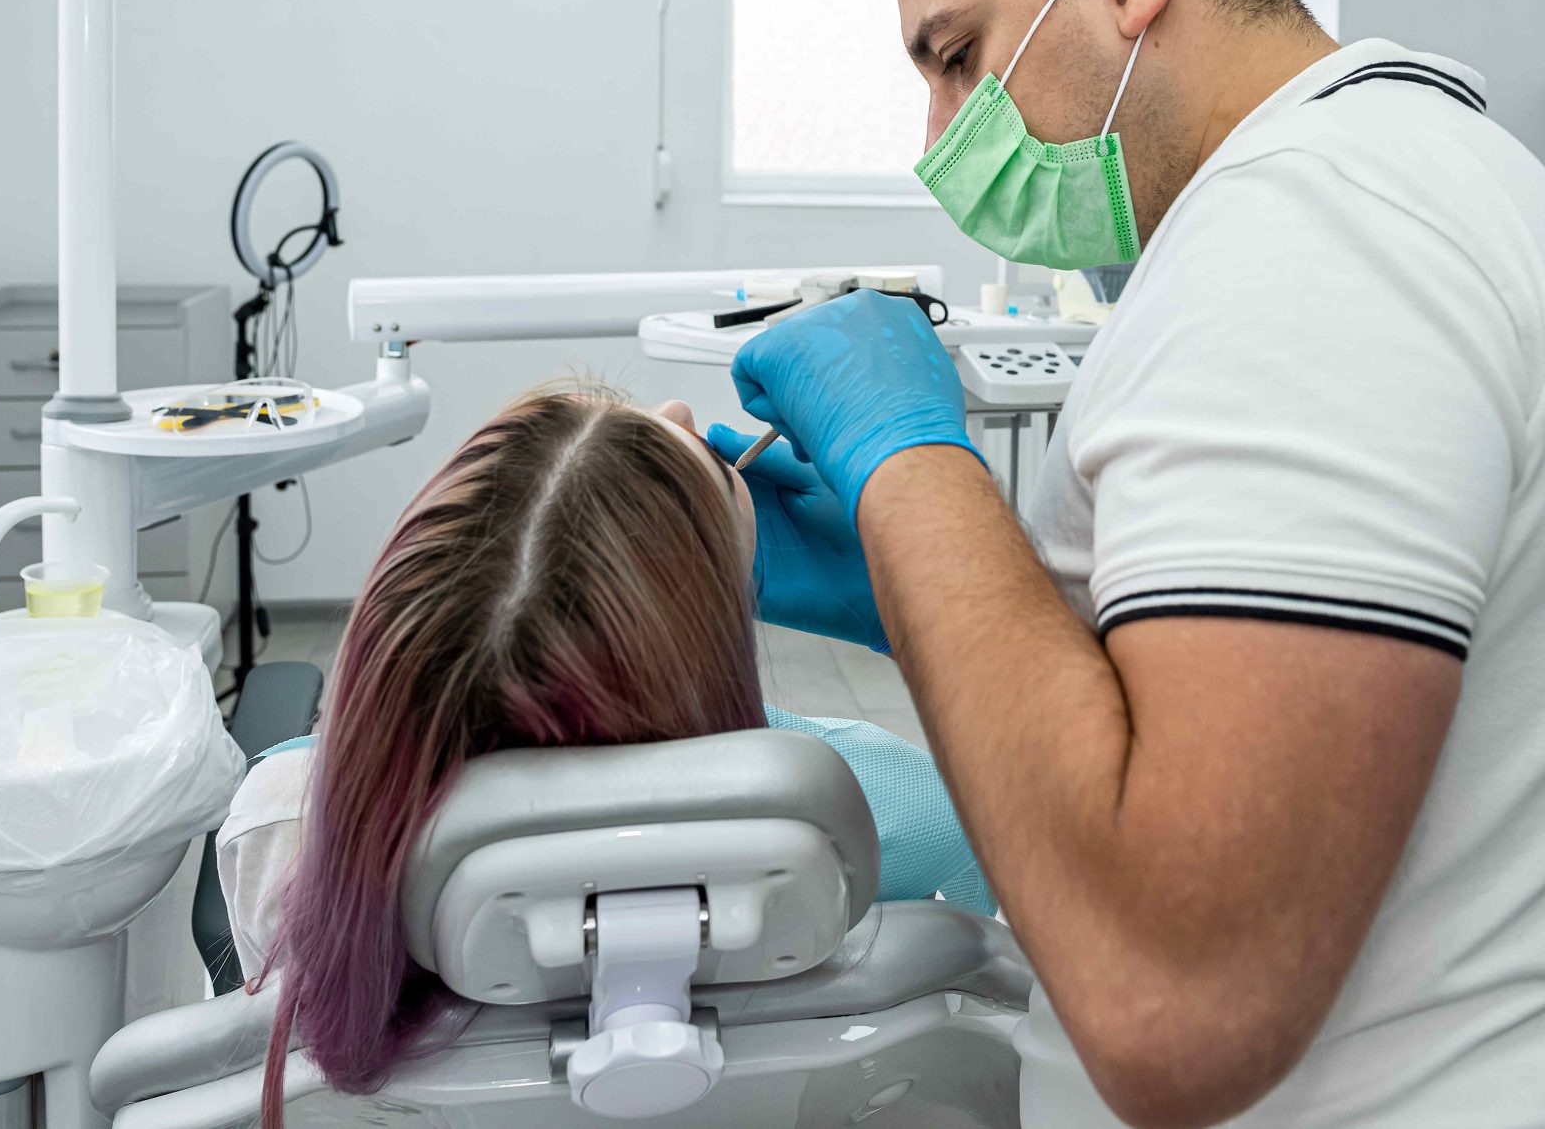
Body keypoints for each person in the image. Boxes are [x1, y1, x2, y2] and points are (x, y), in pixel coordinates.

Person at [711, 0, 1545, 1129]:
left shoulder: (1315, 237)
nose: (939, 134)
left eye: (959, 57)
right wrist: (924, 582)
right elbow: (1209, 710)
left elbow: (1173, 999)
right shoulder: (1378, 181)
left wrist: (910, 467)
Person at [226, 383, 991, 1127]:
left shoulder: (284, 817)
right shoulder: (886, 806)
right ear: (702, 627)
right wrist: (914, 611)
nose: (681, 412)